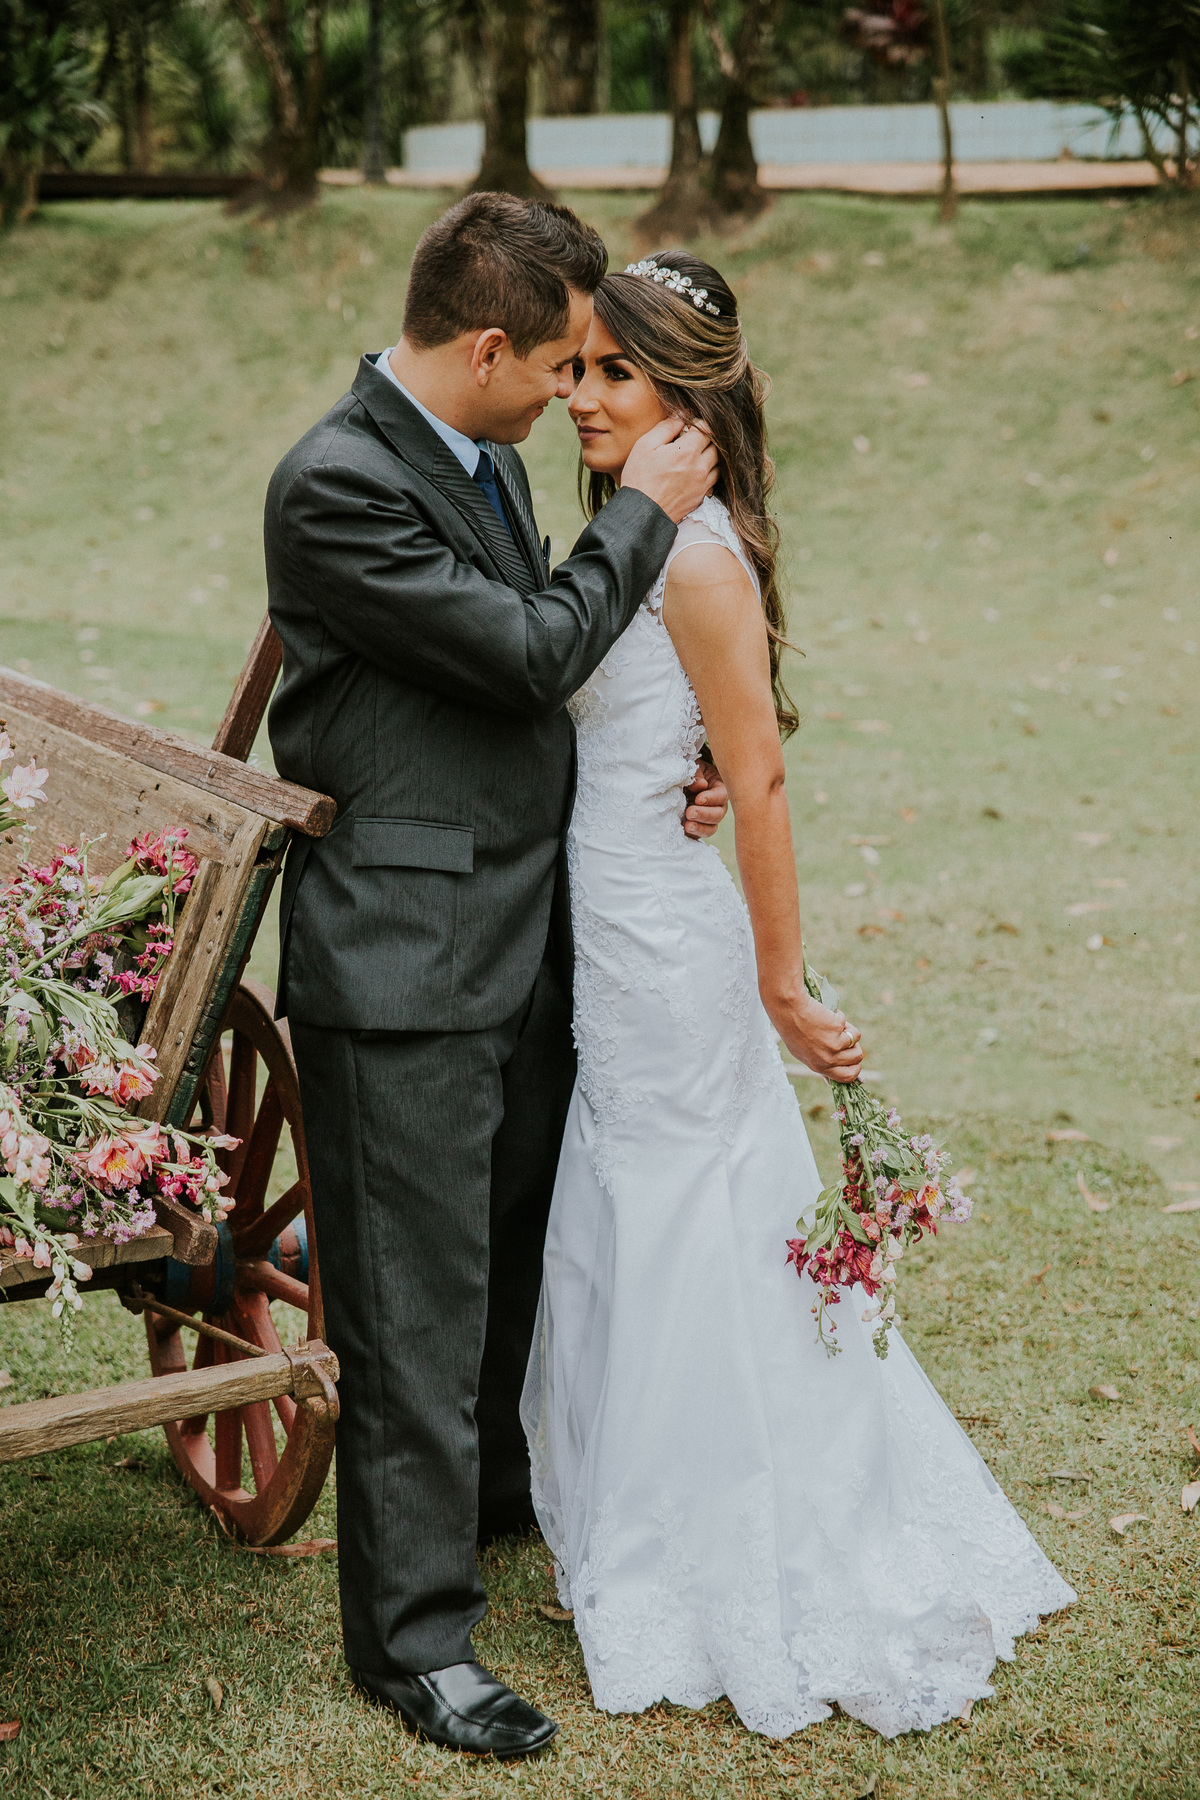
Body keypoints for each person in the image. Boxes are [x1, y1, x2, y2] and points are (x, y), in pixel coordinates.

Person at [521, 250, 1076, 1740]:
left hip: (667, 940)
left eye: (612, 374)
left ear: (683, 399)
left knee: (675, 1201)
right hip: (620, 903)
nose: (580, 396)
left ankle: (696, 1527)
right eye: (574, 369)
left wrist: (780, 981)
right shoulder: (642, 529)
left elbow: (756, 772)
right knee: (645, 1192)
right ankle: (627, 1502)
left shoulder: (692, 556)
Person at [264, 196, 724, 1760]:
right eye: (556, 366)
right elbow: (533, 651)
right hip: (402, 961)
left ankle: (488, 1507)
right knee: (413, 1308)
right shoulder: (336, 486)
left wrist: (677, 765)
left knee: (512, 1255)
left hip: (532, 933)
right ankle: (415, 1645)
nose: (572, 395)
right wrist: (642, 517)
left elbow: (521, 678)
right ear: (483, 347)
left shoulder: (487, 453)